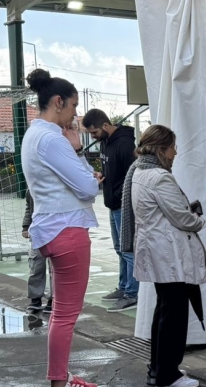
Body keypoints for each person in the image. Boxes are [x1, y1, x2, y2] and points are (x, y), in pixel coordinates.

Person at [21, 68, 103, 387]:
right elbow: (86, 187)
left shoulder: (34, 134)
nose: (75, 116)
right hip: (66, 229)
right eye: (73, 107)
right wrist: (81, 157)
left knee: (60, 313)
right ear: (57, 102)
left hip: (52, 226)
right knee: (66, 314)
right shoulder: (53, 138)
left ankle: (62, 378)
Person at [126, 125, 206, 387]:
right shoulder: (159, 177)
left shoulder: (138, 171)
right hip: (168, 254)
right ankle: (168, 376)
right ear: (160, 148)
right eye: (172, 146)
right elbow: (181, 218)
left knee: (164, 309)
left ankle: (157, 369)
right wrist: (198, 220)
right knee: (173, 313)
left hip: (155, 250)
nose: (175, 152)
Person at [83, 109, 140, 310]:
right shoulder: (105, 143)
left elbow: (132, 176)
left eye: (94, 132)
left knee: (128, 250)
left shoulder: (125, 145)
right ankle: (124, 286)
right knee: (119, 249)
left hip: (123, 205)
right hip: (113, 204)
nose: (93, 137)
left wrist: (119, 195)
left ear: (105, 126)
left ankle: (133, 293)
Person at [22, 192, 53, 313]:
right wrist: (26, 226)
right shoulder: (31, 187)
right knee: (36, 265)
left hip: (54, 230)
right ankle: (35, 298)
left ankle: (54, 299)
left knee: (54, 268)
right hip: (37, 231)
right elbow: (29, 207)